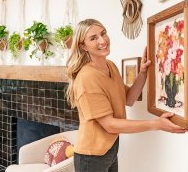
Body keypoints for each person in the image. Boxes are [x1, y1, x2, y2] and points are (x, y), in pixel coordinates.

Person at [65, 18, 187, 172]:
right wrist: (156, 124)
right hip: (91, 157)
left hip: (110, 149)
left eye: (103, 34)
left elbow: (129, 99)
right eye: (93, 38)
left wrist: (143, 73)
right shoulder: (87, 78)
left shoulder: (110, 66)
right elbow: (109, 124)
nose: (103, 40)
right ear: (83, 46)